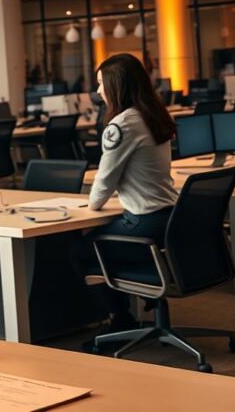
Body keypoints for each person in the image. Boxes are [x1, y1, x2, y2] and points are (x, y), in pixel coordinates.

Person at [75, 53, 179, 332]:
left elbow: (102, 188)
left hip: (144, 222)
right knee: (100, 240)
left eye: (100, 84)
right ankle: (143, 295)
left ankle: (120, 318)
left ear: (116, 85)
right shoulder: (152, 114)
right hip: (170, 217)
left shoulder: (121, 124)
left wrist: (88, 205)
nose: (98, 91)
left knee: (78, 250)